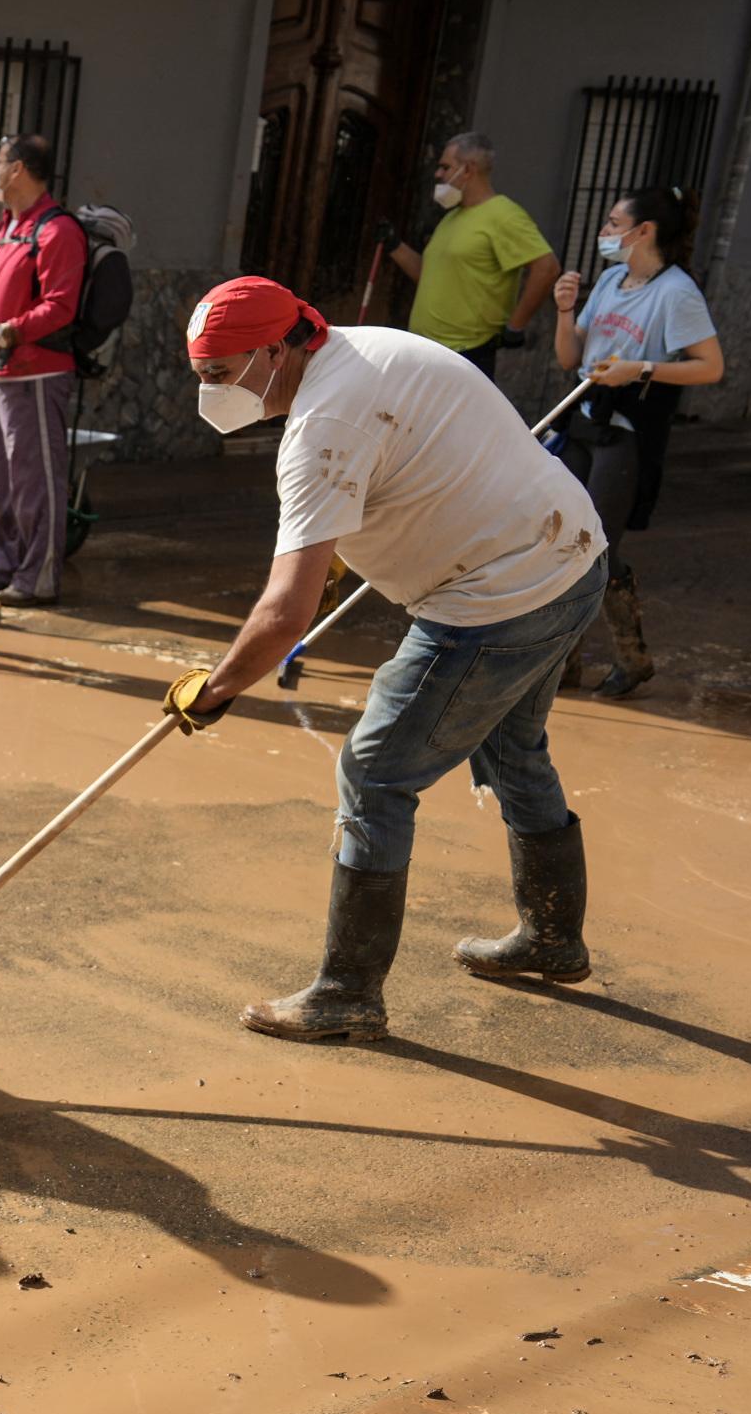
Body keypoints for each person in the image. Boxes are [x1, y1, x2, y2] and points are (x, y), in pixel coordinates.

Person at [168, 277, 607, 1042]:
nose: (209, 391)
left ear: (276, 348)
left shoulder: (321, 429)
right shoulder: (366, 348)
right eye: (200, 373)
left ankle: (347, 993)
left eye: (221, 372)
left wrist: (216, 688)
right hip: (572, 560)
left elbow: (283, 614)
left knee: (374, 769)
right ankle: (553, 937)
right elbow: (411, 463)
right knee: (513, 748)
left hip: (497, 598)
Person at [549, 186, 722, 700]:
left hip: (626, 431)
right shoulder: (608, 280)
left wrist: (640, 369)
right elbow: (568, 359)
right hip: (582, 420)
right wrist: (563, 312)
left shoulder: (676, 292)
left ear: (643, 231)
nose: (605, 232)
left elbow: (710, 366)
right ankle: (566, 662)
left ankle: (631, 655)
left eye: (612, 223)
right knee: (563, 541)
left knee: (595, 546)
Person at [0, 133, 81, 609]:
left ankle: (39, 576)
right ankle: (4, 563)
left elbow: (60, 306)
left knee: (34, 480)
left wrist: (8, 332)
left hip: (33, 373)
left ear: (17, 169)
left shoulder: (57, 232)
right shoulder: (8, 227)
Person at [386, 132, 559, 382]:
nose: (438, 175)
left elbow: (547, 267)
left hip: (465, 352)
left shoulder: (504, 215)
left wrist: (516, 325)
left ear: (468, 169)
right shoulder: (452, 217)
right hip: (426, 347)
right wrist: (395, 245)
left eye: (445, 167)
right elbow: (430, 275)